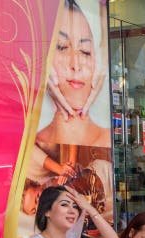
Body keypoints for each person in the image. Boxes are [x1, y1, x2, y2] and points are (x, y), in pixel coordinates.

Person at [38, 0, 110, 147]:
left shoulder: (110, 143)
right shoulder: (27, 149)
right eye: (61, 46)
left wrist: (106, 45)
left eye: (85, 51)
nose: (76, 65)